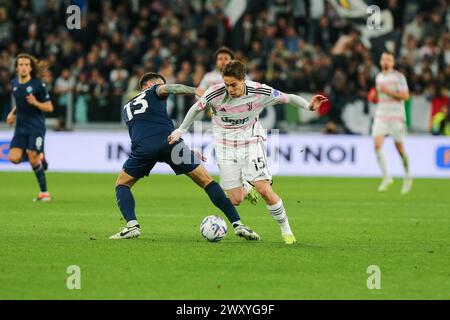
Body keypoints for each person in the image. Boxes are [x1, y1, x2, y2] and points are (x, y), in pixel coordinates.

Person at [168, 61, 327, 244]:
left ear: (243, 79)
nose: (230, 89)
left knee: (265, 189)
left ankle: (287, 232)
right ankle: (247, 186)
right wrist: (181, 130)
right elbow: (196, 109)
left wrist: (309, 106)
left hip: (251, 142)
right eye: (227, 84)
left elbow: (289, 97)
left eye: (233, 84)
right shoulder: (215, 92)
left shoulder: (260, 91)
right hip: (225, 146)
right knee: (235, 200)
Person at [110, 72, 260, 241]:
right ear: (147, 85)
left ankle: (132, 226)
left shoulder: (126, 108)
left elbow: (147, 129)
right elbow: (172, 89)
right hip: (171, 144)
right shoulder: (154, 91)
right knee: (207, 182)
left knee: (122, 184)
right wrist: (196, 90)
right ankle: (238, 224)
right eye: (159, 84)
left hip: (144, 147)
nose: (163, 91)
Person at [199, 47, 260, 206]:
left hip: (243, 129)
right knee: (227, 172)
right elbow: (198, 95)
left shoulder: (242, 78)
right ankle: (245, 187)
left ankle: (246, 184)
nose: (222, 61)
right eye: (220, 59)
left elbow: (254, 97)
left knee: (239, 163)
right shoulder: (209, 78)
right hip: (220, 129)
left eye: (226, 58)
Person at [6, 53, 54, 201]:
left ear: (31, 67)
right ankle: (38, 154)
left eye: (27, 65)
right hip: (20, 127)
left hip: (36, 127)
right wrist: (11, 113)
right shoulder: (14, 83)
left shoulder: (38, 84)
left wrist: (36, 103)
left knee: (33, 160)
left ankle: (44, 193)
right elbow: (19, 103)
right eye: (21, 65)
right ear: (16, 68)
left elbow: (49, 107)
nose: (24, 67)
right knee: (14, 158)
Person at [371, 52, 412, 194]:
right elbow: (378, 96)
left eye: (389, 59)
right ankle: (387, 177)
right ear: (380, 61)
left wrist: (388, 91)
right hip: (381, 115)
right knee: (376, 145)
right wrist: (375, 95)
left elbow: (406, 96)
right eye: (383, 59)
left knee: (399, 149)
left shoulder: (399, 77)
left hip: (396, 116)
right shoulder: (379, 77)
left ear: (393, 62)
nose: (386, 61)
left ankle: (407, 176)